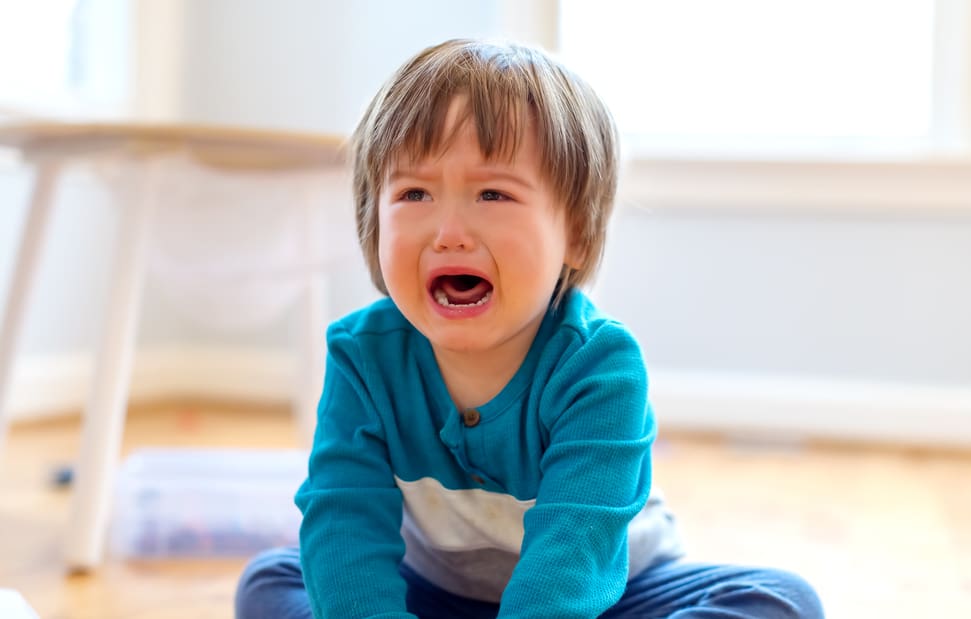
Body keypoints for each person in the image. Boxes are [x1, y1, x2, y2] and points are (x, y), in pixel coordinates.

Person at [235, 38, 824, 619]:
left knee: (781, 600)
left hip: (610, 592)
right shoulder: (363, 358)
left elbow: (575, 550)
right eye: (414, 193)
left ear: (577, 236)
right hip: (432, 592)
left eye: (492, 193)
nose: (449, 232)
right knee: (272, 579)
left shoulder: (599, 368)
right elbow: (345, 520)